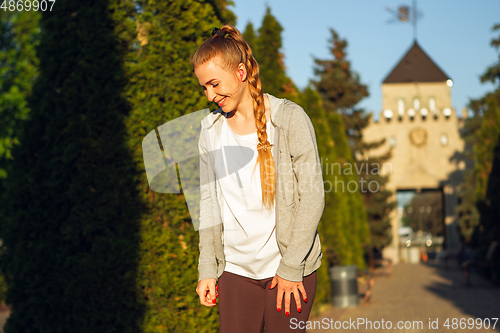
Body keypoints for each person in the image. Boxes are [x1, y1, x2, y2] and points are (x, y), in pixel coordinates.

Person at [192, 25, 325, 333]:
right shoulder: (209, 131)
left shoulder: (289, 118)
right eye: (204, 88)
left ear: (240, 73)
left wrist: (292, 267)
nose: (210, 95)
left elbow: (312, 196)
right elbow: (209, 203)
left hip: (289, 269)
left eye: (214, 84)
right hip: (237, 272)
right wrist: (207, 269)